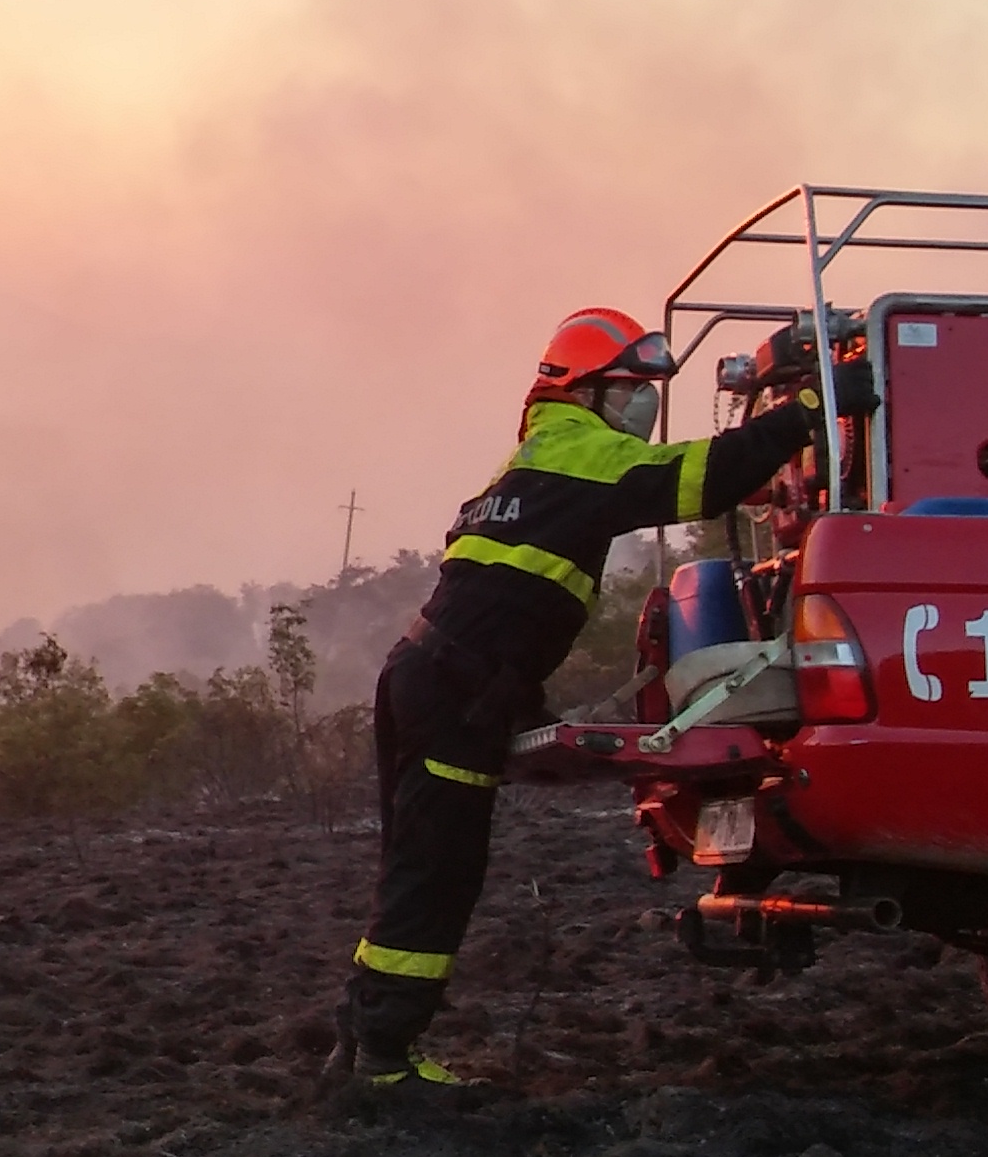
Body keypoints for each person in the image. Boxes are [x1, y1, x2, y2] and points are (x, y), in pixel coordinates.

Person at [329, 306, 870, 1088]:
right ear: (583, 391)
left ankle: (359, 1041)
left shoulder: (540, 458)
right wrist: (814, 408)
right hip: (454, 691)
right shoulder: (583, 455)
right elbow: (706, 477)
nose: (647, 404)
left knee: (417, 863)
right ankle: (380, 1061)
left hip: (433, 677)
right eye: (633, 386)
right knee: (437, 871)